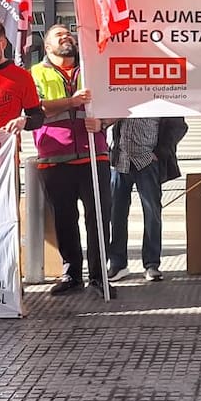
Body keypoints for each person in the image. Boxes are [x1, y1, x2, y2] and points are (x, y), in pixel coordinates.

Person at [31, 24, 114, 298]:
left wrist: (103, 121)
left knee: (99, 219)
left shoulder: (92, 68)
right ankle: (72, 275)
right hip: (56, 157)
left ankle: (100, 276)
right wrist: (71, 101)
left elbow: (116, 103)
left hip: (94, 155)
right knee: (65, 219)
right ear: (47, 47)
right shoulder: (36, 73)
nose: (66, 37)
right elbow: (36, 107)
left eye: (69, 34)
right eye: (59, 35)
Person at [107, 116, 187, 282]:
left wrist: (160, 152)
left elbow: (179, 125)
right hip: (121, 158)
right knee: (116, 213)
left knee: (152, 214)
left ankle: (151, 264)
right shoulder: (119, 93)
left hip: (147, 161)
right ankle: (117, 263)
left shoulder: (158, 94)